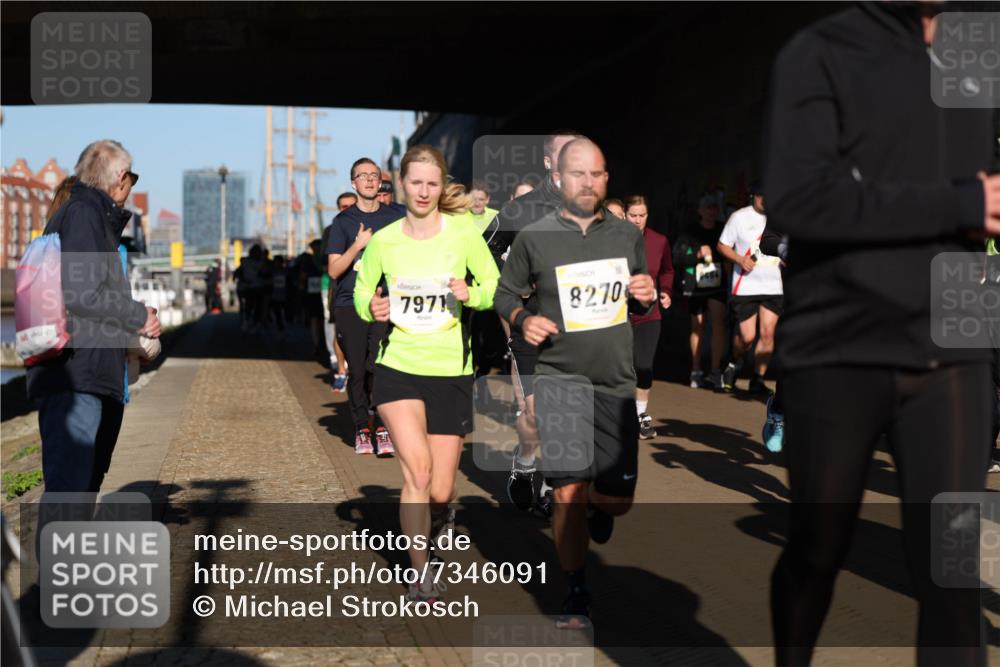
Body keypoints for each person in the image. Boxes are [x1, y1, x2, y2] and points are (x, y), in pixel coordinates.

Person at [764, 4, 999, 665]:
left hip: (951, 345)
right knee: (818, 548)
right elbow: (796, 198)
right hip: (840, 343)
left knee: (951, 573)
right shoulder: (820, 50)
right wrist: (959, 203)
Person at [495, 138, 656, 628]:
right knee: (567, 491)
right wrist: (523, 317)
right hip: (561, 379)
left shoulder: (627, 237)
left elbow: (639, 294)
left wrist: (646, 296)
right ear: (559, 180)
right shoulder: (534, 237)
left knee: (615, 500)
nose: (588, 183)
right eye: (578, 174)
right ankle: (577, 590)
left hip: (614, 383)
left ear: (607, 179)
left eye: (597, 174)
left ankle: (599, 508)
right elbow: (504, 293)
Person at [354, 144, 499, 602]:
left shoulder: (462, 234)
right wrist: (371, 306)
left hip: (451, 370)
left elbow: (494, 284)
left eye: (431, 183)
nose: (423, 191)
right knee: (416, 472)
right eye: (415, 182)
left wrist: (470, 293)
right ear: (401, 183)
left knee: (441, 487)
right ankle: (419, 575)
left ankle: (439, 520)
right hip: (398, 366)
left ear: (441, 187)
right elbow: (361, 291)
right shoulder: (385, 240)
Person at [26, 140, 161, 495]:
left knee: (84, 481)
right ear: (119, 177)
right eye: (132, 176)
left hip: (90, 370)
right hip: (78, 375)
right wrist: (139, 316)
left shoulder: (87, 216)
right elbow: (83, 294)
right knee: (71, 484)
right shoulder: (85, 215)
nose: (132, 186)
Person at [484, 130, 582, 514]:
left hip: (579, 330)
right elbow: (485, 249)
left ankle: (552, 493)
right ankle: (525, 467)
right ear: (548, 162)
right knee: (537, 415)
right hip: (533, 324)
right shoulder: (521, 210)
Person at [327, 158, 405, 456]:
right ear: (353, 183)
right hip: (350, 304)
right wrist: (357, 245)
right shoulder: (343, 223)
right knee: (358, 368)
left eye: (374, 176)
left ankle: (382, 426)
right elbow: (334, 271)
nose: (370, 181)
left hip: (386, 302)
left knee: (380, 366)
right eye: (363, 176)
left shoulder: (395, 218)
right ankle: (362, 427)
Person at [716, 182, 781, 394]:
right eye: (761, 195)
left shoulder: (780, 217)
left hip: (773, 284)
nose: (765, 200)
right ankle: (735, 362)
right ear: (754, 196)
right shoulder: (739, 217)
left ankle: (758, 379)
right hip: (745, 286)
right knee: (747, 337)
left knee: (768, 333)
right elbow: (722, 245)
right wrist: (739, 260)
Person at [624, 195, 674, 439]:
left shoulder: (659, 241)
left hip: (649, 314)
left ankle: (641, 414)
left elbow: (667, 270)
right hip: (618, 314)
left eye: (641, 215)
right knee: (623, 367)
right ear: (624, 214)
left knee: (643, 365)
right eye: (633, 215)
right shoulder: (613, 239)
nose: (637, 220)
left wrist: (666, 291)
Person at [673, 195, 727, 389]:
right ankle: (696, 370)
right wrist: (696, 254)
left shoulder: (723, 229)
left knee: (718, 323)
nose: (711, 212)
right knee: (698, 326)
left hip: (717, 283)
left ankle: (715, 370)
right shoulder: (690, 231)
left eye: (714, 208)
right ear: (700, 211)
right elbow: (677, 256)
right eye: (707, 208)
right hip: (695, 285)